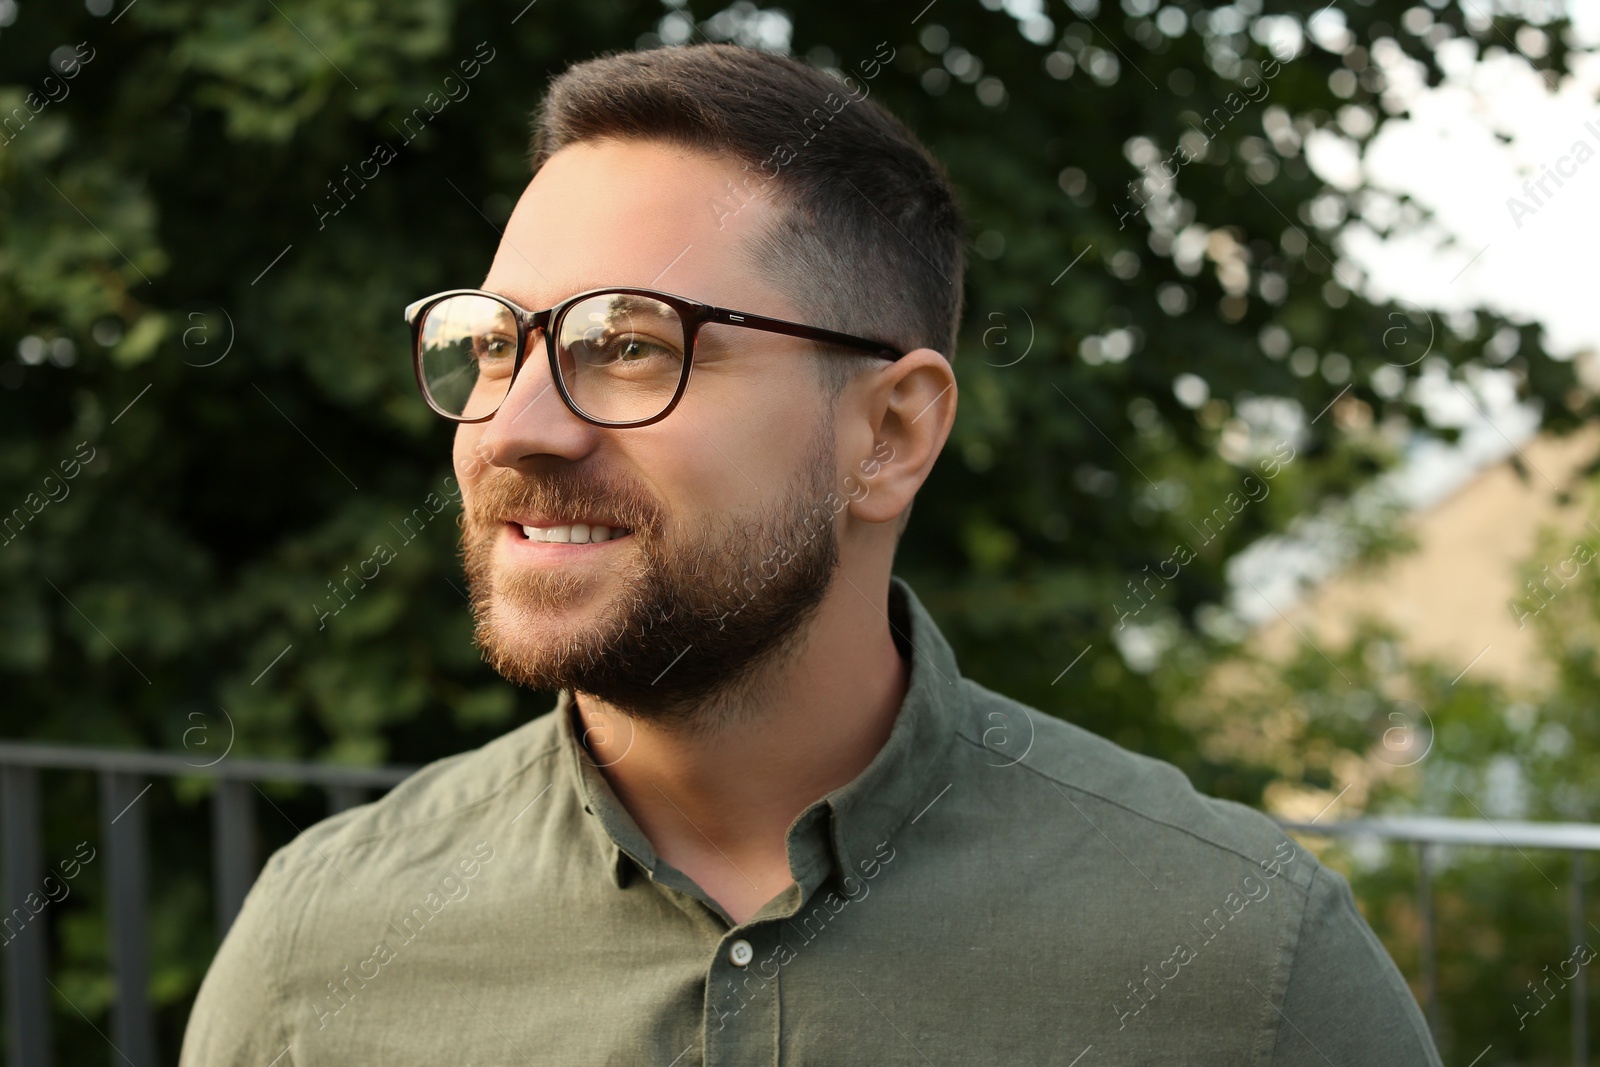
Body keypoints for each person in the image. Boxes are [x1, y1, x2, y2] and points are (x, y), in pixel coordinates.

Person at [181, 42, 1442, 1065]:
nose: (514, 423)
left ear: (888, 433)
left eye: (629, 342)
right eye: (496, 341)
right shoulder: (324, 945)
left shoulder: (1243, 958)